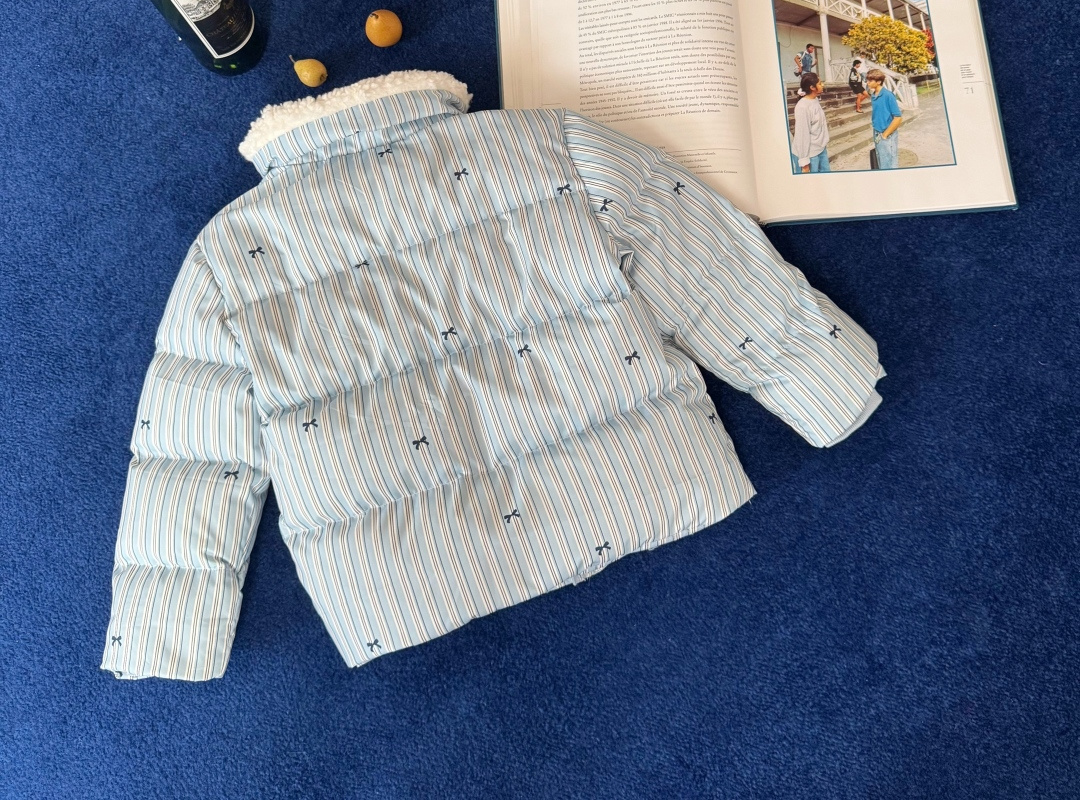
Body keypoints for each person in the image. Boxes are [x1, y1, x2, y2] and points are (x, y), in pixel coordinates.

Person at [97, 69, 883, 680]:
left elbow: (191, 448)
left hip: (405, 582)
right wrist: (821, 377)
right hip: (640, 480)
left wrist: (170, 631)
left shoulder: (227, 251)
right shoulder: (546, 140)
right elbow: (692, 250)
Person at [792, 71, 831, 173]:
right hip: (809, 154)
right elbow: (802, 135)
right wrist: (804, 162)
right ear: (812, 87)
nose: (822, 85)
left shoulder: (814, 100)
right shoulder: (802, 107)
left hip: (820, 149)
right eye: (819, 83)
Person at [866, 68, 903, 169]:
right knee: (881, 161)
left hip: (887, 134)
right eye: (867, 80)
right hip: (877, 132)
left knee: (889, 164)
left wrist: (885, 135)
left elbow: (898, 118)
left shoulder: (888, 95)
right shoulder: (874, 95)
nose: (867, 82)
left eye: (870, 80)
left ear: (878, 82)